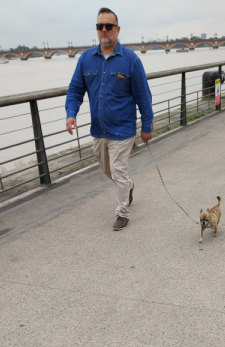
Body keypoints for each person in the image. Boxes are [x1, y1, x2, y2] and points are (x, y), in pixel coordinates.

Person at [65, 7, 153, 231]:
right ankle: (129, 186)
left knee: (118, 169)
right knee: (109, 170)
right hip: (99, 129)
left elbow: (143, 96)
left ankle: (122, 212)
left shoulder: (131, 60)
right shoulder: (86, 58)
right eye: (99, 26)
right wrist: (71, 114)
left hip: (123, 130)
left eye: (108, 26)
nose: (104, 30)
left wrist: (147, 126)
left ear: (117, 29)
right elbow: (75, 90)